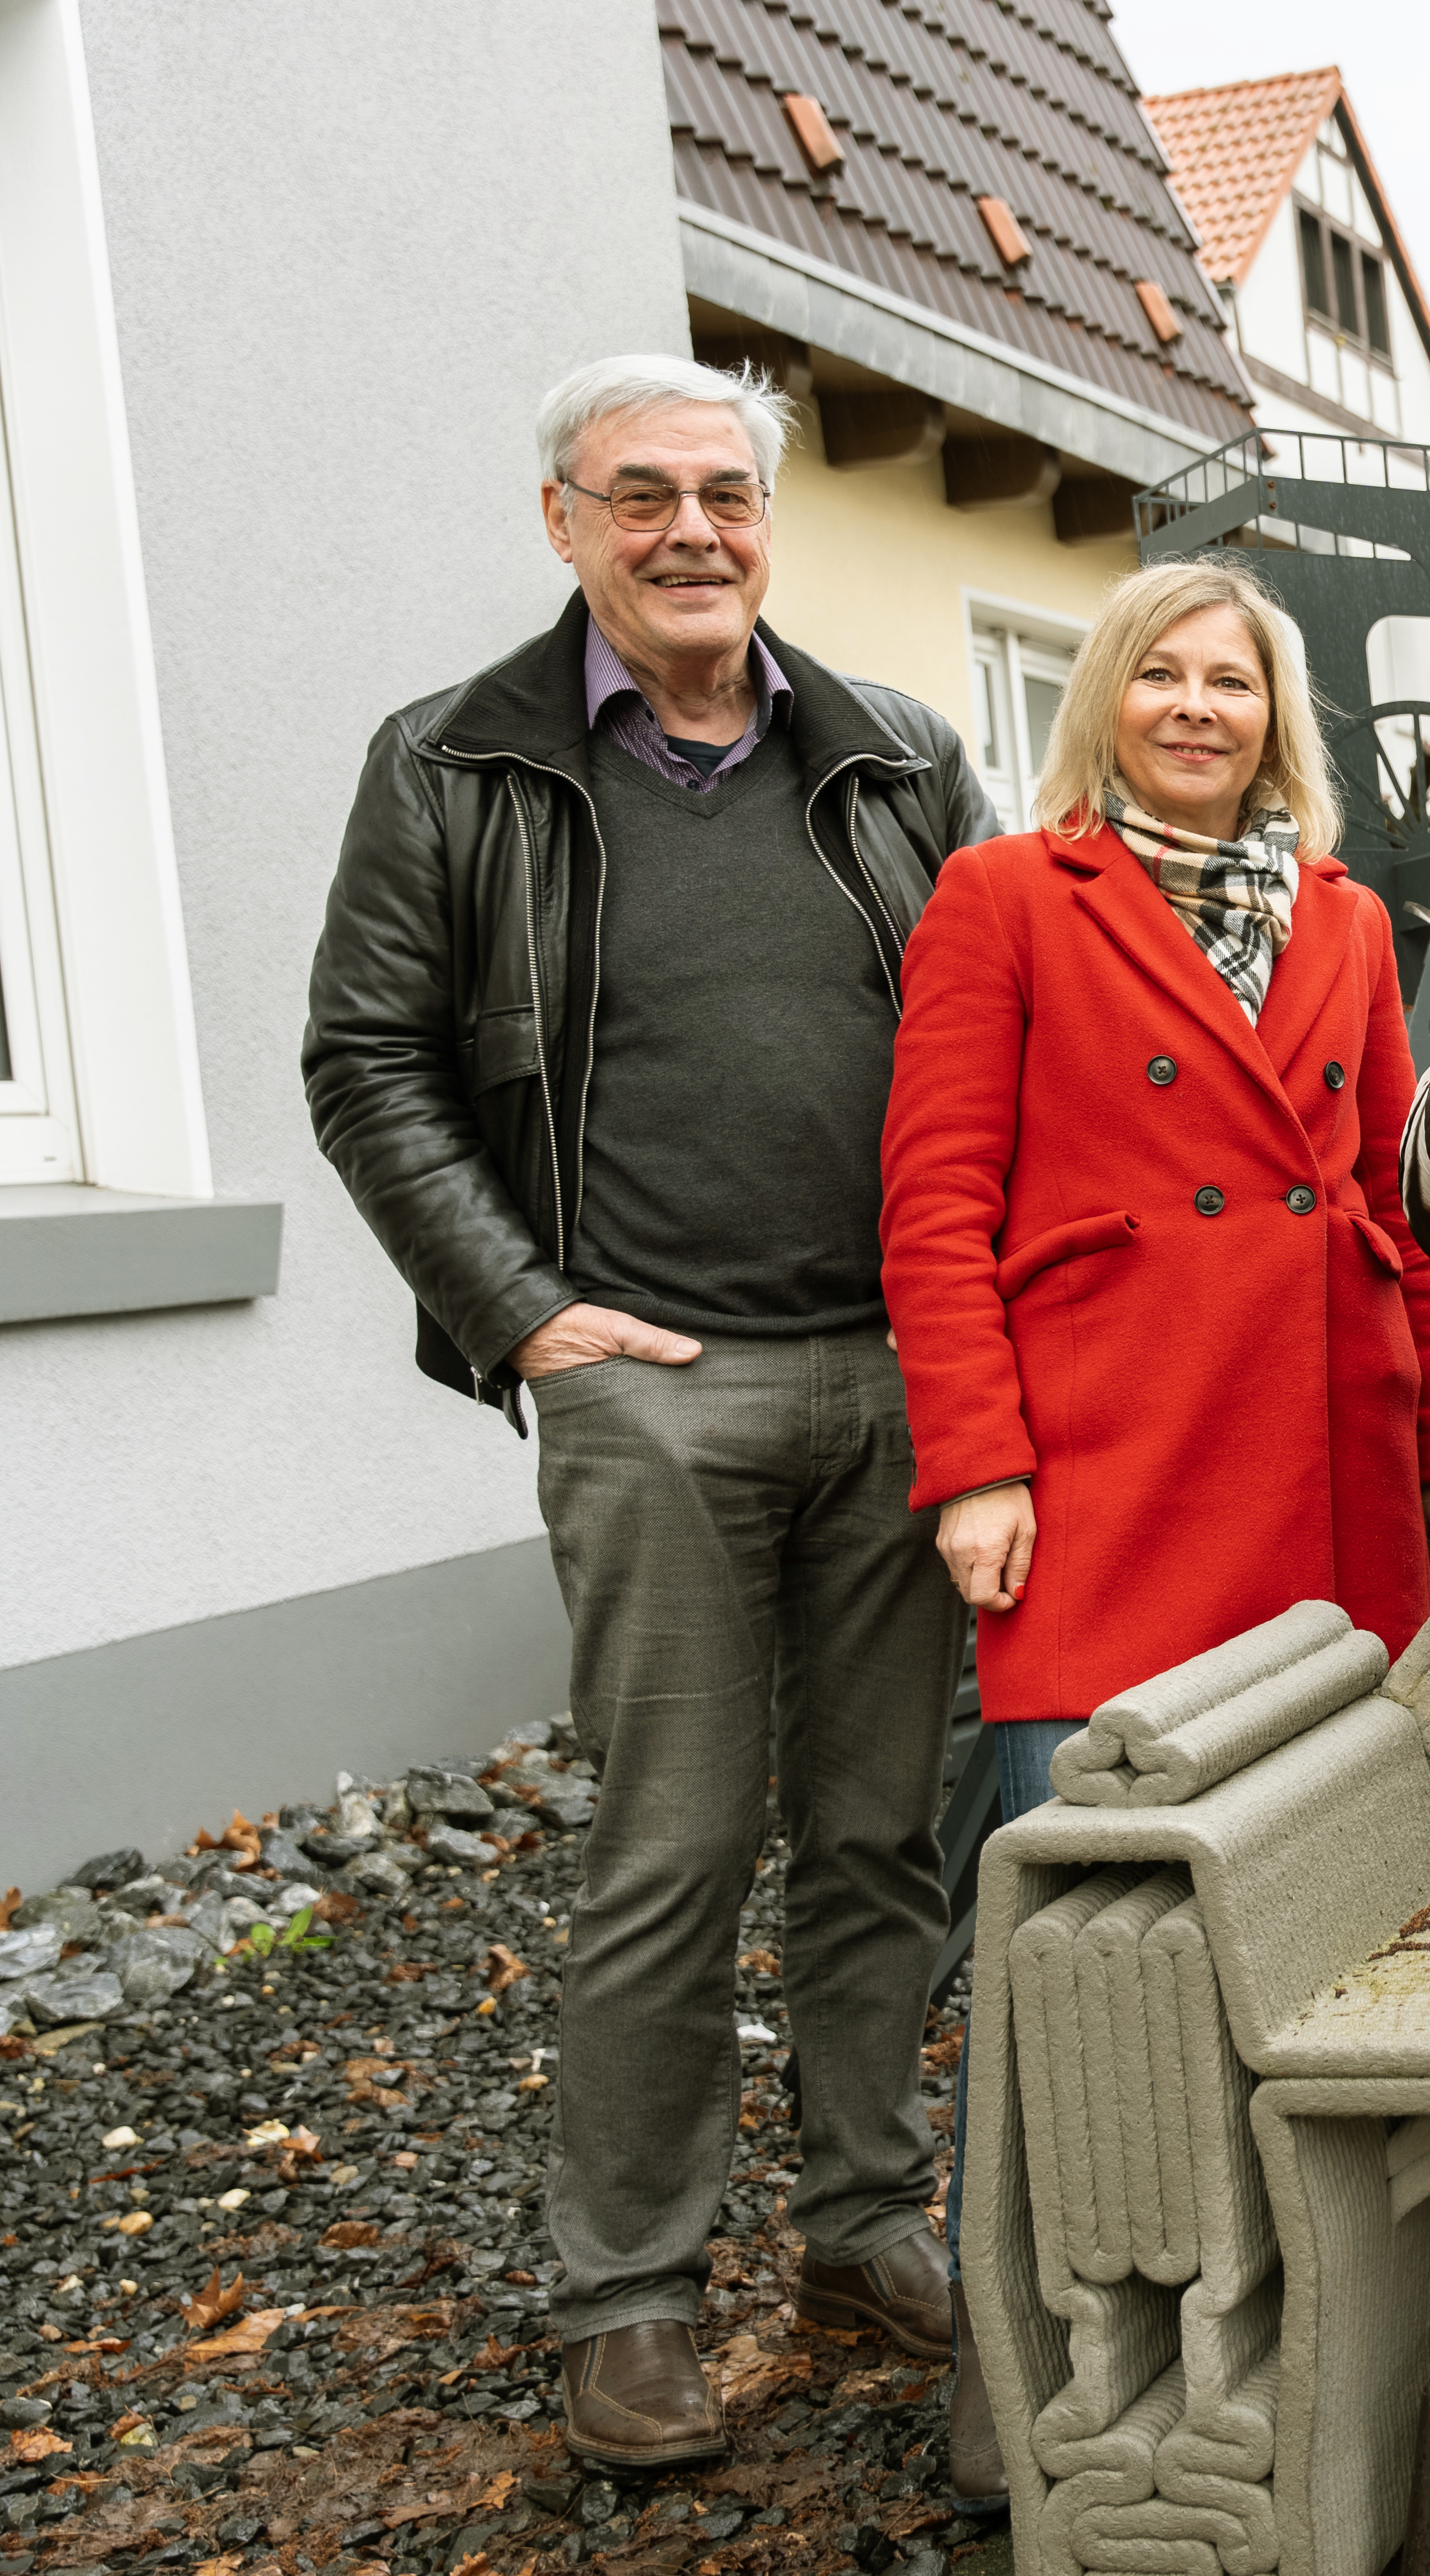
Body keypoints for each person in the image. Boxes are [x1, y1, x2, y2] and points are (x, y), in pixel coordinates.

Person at [303, 356, 996, 2475]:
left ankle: (868, 2221)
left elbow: (1005, 1047)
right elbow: (366, 1061)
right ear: (562, 522)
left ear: (765, 524)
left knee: (886, 1838)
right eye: (641, 497)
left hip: (900, 1379)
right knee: (669, 1851)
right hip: (647, 1393)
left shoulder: (897, 760)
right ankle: (630, 2294)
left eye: (724, 494)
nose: (691, 530)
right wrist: (522, 1314)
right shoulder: (454, 763)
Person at [880, 560, 1430, 2480]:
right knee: (1081, 1931)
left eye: (1233, 680)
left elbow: (1408, 1212)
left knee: (1316, 1914)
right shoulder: (1005, 900)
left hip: (1325, 1453)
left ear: (1273, 714)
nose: (1199, 707)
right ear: (1107, 702)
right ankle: (1033, 2382)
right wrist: (975, 1459)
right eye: (1163, 675)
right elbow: (935, 1204)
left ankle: (1316, 2343)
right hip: (1105, 1466)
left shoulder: (1346, 916)